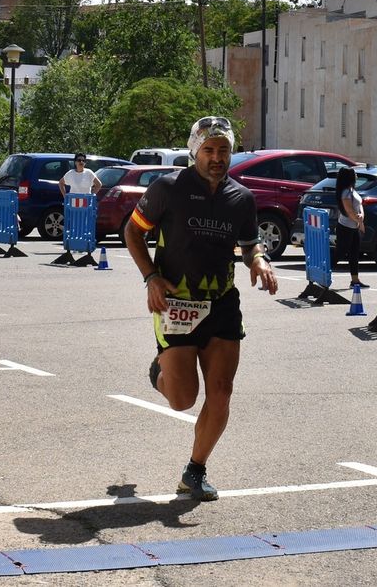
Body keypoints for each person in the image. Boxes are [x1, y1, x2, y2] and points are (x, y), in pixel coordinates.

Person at [123, 116, 276, 501]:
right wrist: (151, 278)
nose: (217, 157)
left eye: (223, 150)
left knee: (221, 391)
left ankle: (195, 469)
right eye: (209, 150)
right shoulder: (168, 188)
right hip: (175, 304)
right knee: (182, 400)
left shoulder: (241, 198)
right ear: (195, 151)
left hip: (222, 303)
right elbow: (132, 231)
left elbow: (249, 243)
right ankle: (161, 371)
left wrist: (257, 259)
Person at [333, 164, 365, 288]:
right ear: (349, 177)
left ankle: (355, 280)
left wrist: (361, 216)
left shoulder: (352, 190)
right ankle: (324, 271)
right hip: (346, 227)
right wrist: (359, 221)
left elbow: (359, 205)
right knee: (340, 253)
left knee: (354, 254)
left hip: (354, 227)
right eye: (354, 174)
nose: (356, 176)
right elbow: (349, 211)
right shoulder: (345, 193)